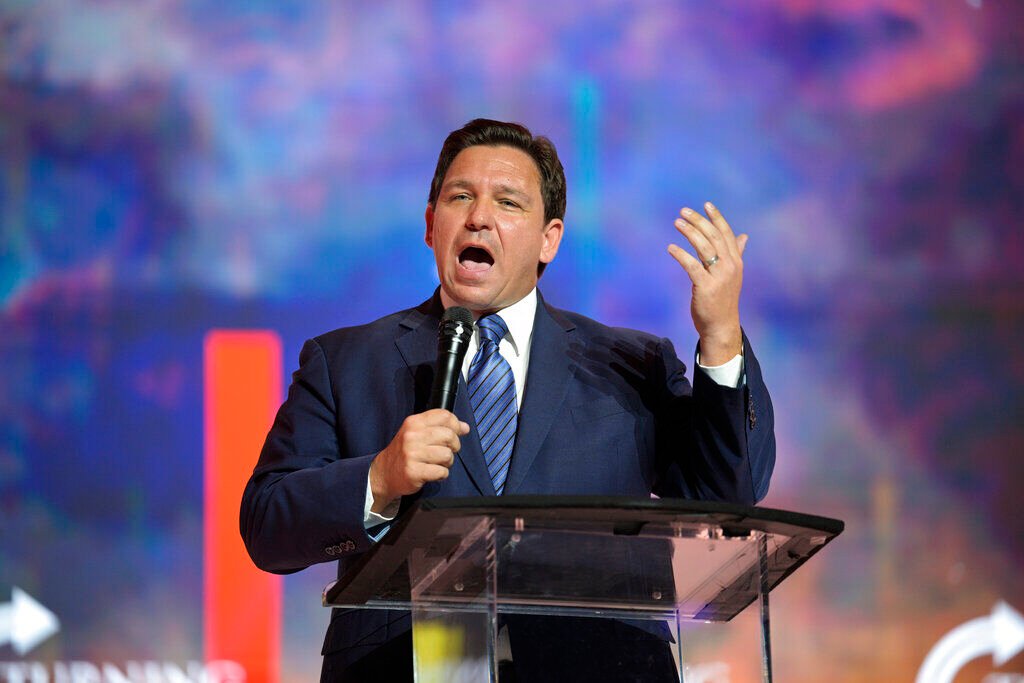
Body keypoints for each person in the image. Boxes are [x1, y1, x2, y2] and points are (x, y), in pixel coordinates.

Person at [240, 119, 775, 682]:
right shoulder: (346, 362)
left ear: (549, 239)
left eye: (508, 201)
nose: (478, 216)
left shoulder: (631, 364)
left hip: (601, 665)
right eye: (460, 196)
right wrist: (378, 478)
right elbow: (267, 527)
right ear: (430, 224)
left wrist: (720, 339)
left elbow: (726, 495)